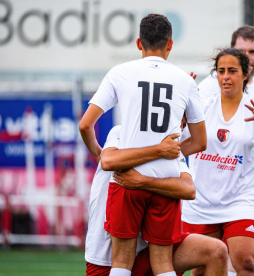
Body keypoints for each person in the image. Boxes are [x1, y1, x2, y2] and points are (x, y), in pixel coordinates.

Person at [79, 14, 206, 276]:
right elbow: (200, 141)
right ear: (170, 44)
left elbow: (84, 125)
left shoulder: (120, 72)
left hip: (128, 179)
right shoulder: (185, 80)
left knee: (121, 262)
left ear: (139, 43)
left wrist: (99, 154)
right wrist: (170, 152)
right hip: (166, 180)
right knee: (163, 264)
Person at [182, 48, 254, 276]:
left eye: (232, 71)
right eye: (221, 71)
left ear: (245, 74)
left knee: (246, 262)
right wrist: (180, 107)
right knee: (200, 268)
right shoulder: (202, 106)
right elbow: (176, 140)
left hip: (243, 200)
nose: (225, 76)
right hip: (203, 201)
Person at [85, 126, 227, 276]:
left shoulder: (171, 149)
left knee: (217, 252)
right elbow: (108, 161)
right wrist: (159, 150)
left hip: (148, 250)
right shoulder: (122, 131)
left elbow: (188, 189)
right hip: (105, 257)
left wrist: (142, 181)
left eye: (183, 123)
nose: (179, 126)